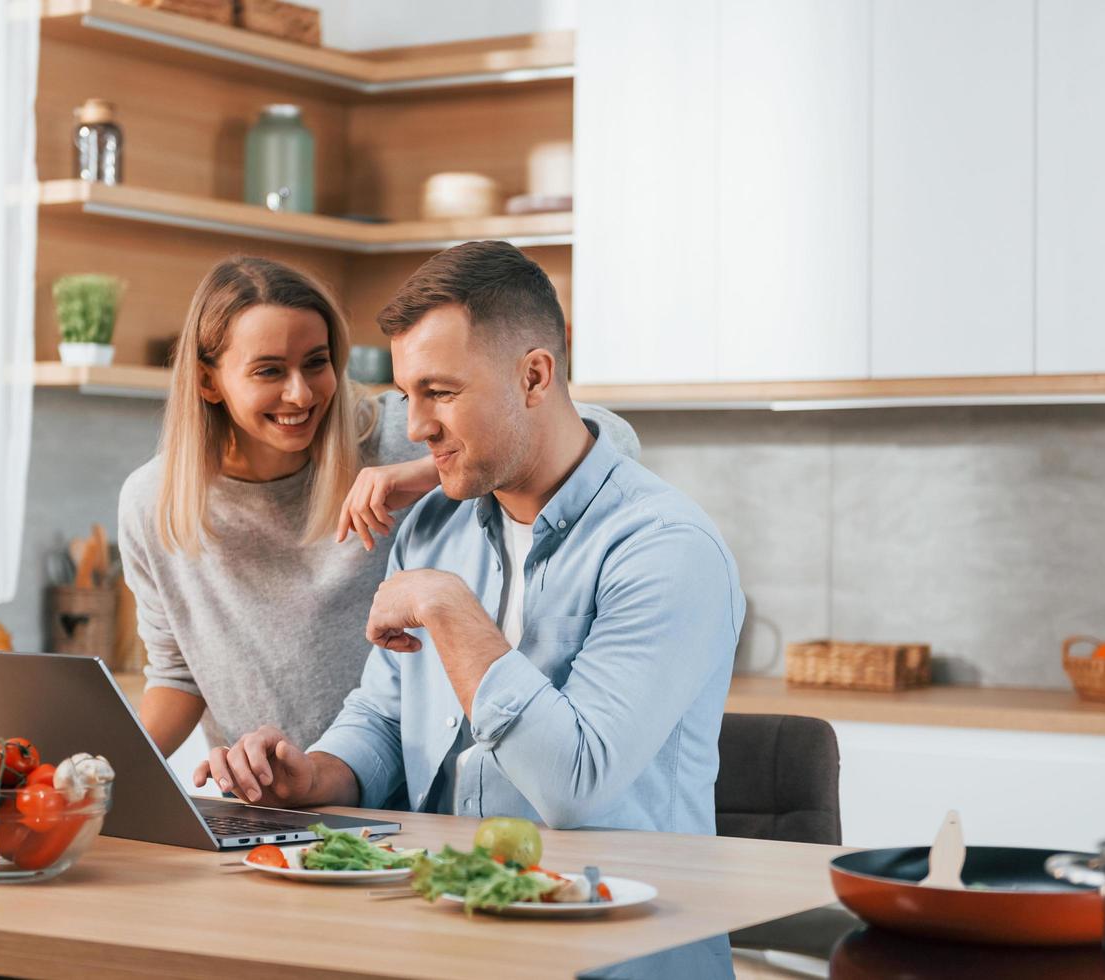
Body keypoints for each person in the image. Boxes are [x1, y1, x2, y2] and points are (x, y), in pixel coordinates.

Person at [205, 242, 745, 833]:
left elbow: (575, 787)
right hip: (443, 905)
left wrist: (448, 607)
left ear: (534, 376)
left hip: (615, 915)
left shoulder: (666, 550)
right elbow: (386, 721)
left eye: (440, 392)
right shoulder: (434, 529)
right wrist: (312, 776)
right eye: (409, 395)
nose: (416, 426)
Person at [117, 255, 638, 762]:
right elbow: (177, 676)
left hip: (393, 782)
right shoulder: (154, 503)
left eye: (316, 363)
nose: (299, 394)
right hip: (267, 793)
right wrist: (100, 775)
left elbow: (606, 437)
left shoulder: (392, 435)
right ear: (208, 380)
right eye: (269, 371)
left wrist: (424, 470)